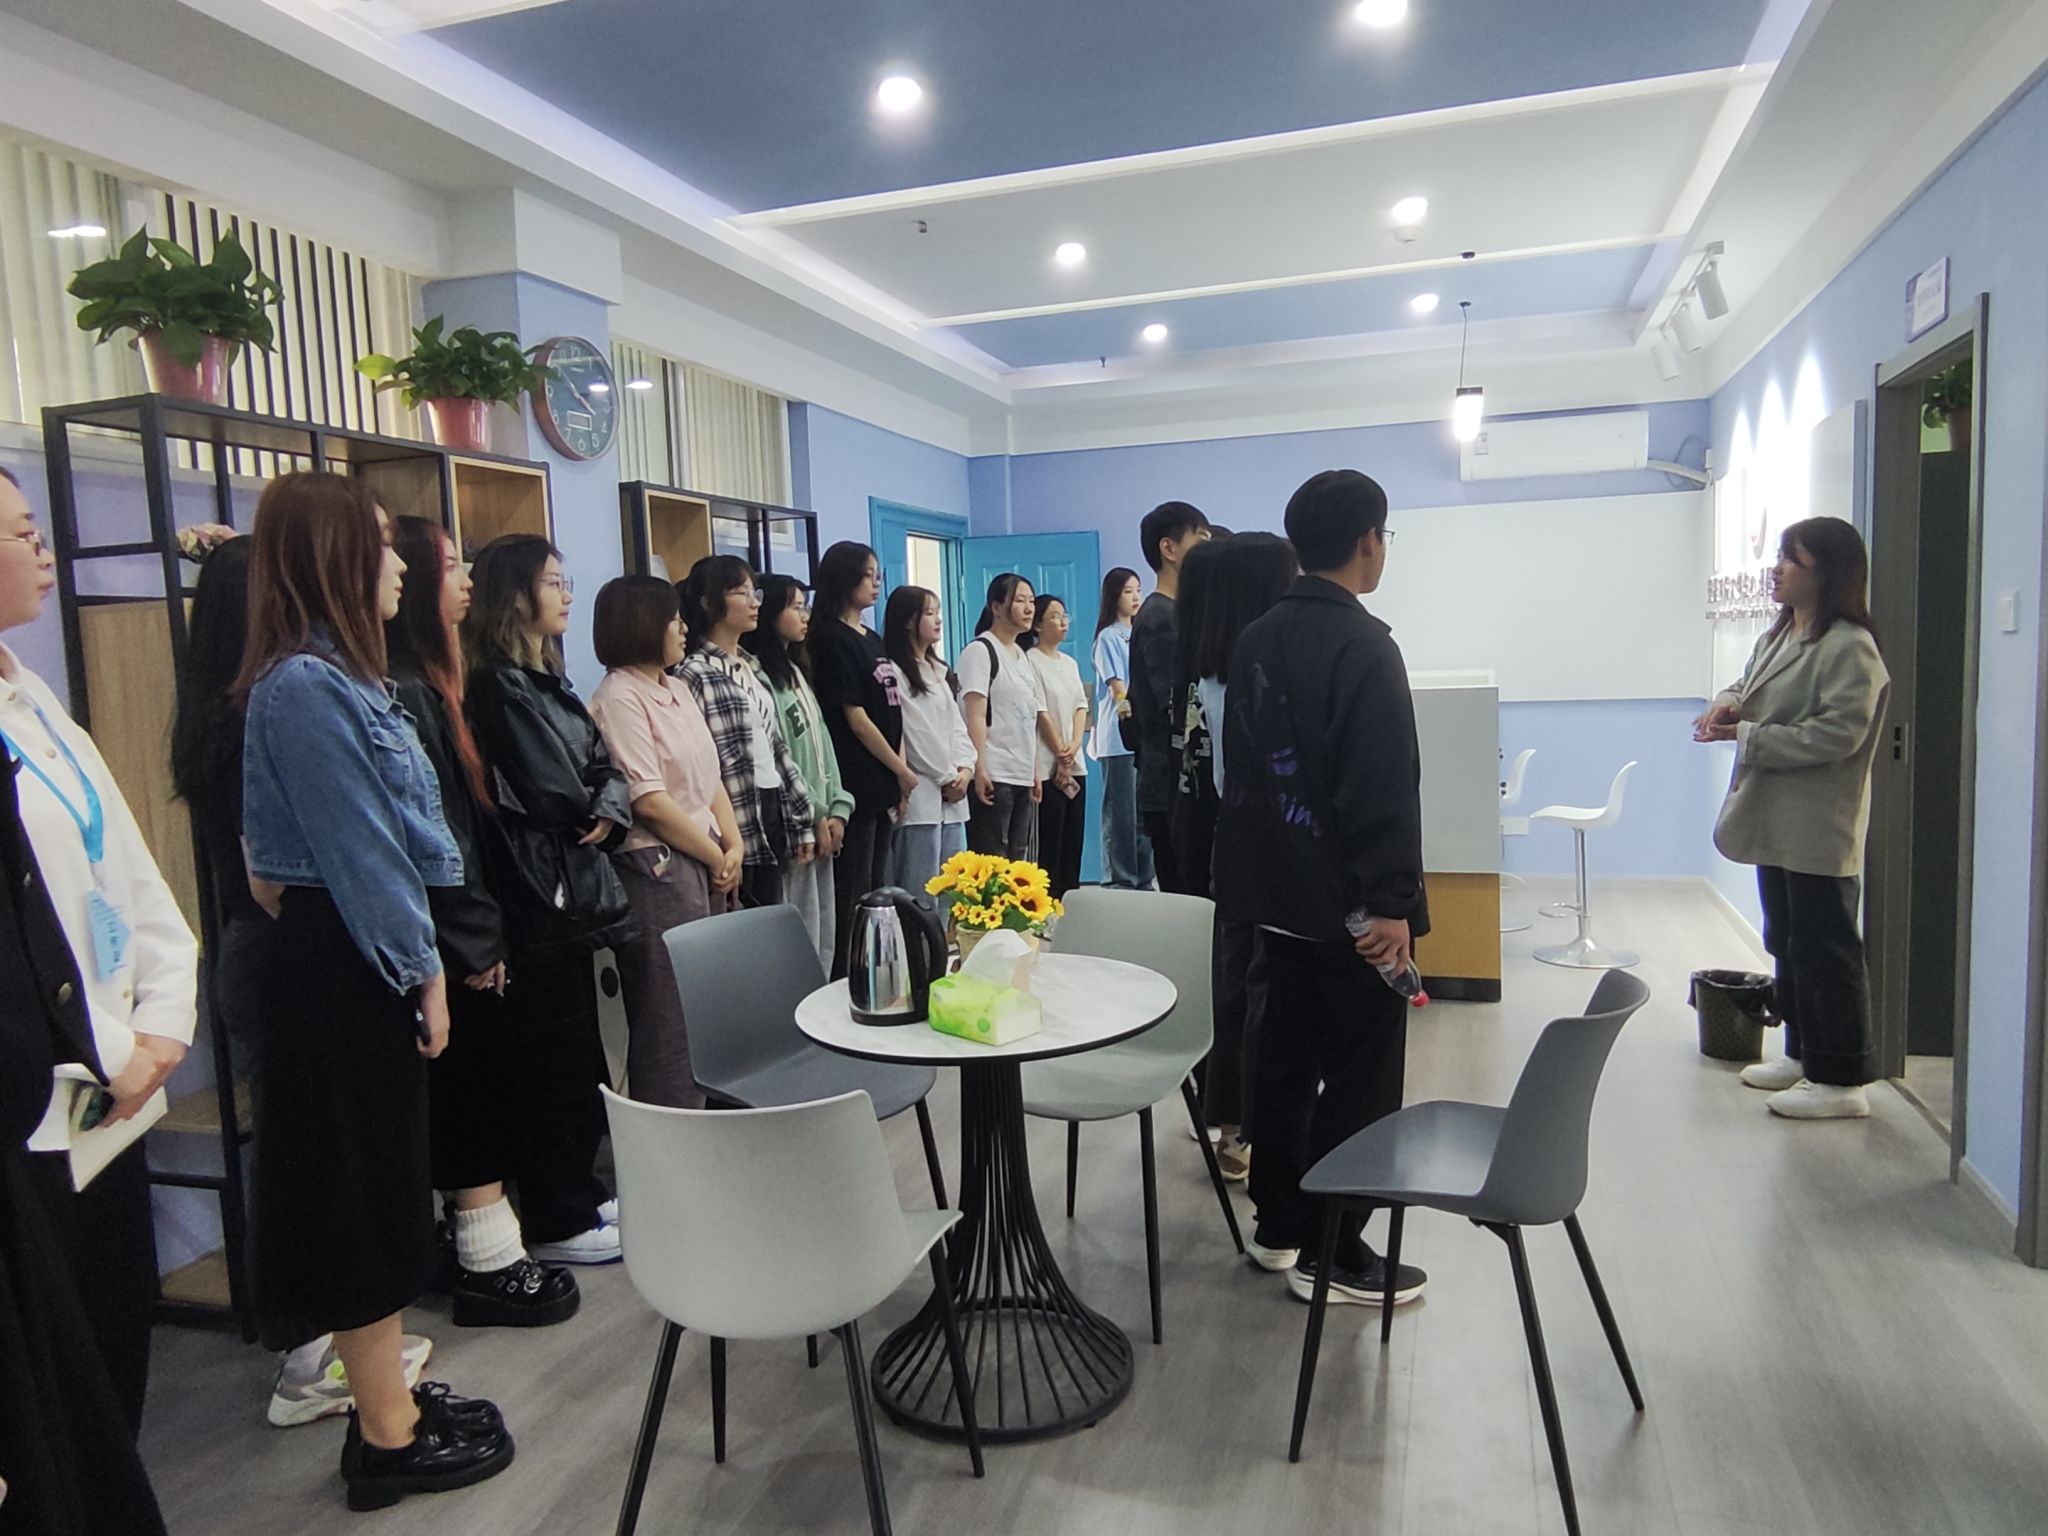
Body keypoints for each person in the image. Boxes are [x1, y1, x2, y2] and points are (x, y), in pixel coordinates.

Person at [238, 473, 511, 1509]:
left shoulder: (346, 682)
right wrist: (422, 971)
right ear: (335, 557)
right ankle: (385, 1437)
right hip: (347, 967)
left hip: (359, 953)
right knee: (360, 1196)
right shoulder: (305, 688)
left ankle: (385, 1406)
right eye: (385, 544)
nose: (402, 564)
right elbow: (361, 854)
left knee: (386, 1187)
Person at [172, 532, 437, 1423]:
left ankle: (337, 1355)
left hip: (262, 955)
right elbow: (291, 872)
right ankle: (317, 1364)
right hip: (295, 958)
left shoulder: (226, 714)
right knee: (324, 1177)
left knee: (313, 1168)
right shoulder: (281, 707)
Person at [0, 467, 196, 1439]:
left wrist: (163, 1022)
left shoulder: (30, 693)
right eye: (22, 533)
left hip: (119, 1077)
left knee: (118, 1329)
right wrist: (116, 1050)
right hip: (50, 1087)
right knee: (62, 1366)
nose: (43, 551)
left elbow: (127, 867)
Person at [1213, 470, 1430, 1310]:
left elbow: (1247, 778)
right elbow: (1382, 787)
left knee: (1283, 1063)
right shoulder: (1366, 646)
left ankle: (1279, 1226)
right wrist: (1392, 903)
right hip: (1352, 912)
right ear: (1369, 541)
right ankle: (1335, 1250)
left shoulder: (1255, 638)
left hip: (1275, 899)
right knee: (1362, 1079)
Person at [387, 518, 578, 1327]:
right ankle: (488, 1262)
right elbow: (441, 836)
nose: (462, 579)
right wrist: (473, 937)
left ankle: (478, 1249)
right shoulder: (411, 691)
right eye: (445, 566)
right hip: (449, 934)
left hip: (462, 926)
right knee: (475, 1092)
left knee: (477, 1088)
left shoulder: (439, 683)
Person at [464, 535, 634, 1268]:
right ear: (515, 595)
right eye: (553, 582)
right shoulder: (497, 686)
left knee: (580, 1056)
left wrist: (607, 803)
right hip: (539, 896)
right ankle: (557, 1212)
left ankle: (582, 1191)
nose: (567, 594)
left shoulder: (551, 679)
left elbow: (606, 767)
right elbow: (553, 787)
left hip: (575, 889)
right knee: (549, 1062)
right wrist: (594, 800)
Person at [1699, 517, 1891, 1119]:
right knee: (1787, 940)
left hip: (1816, 824)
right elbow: (1748, 684)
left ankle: (1841, 1081)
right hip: (1775, 821)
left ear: (1826, 573)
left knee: (1827, 951)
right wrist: (1726, 703)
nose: (1776, 569)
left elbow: (1838, 734)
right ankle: (1803, 1055)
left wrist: (1747, 736)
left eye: (1791, 559)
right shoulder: (1781, 632)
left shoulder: (1850, 646)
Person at [590, 576, 744, 1106]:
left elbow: (712, 776)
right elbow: (648, 800)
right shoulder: (619, 695)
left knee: (709, 1003)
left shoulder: (676, 687)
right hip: (660, 866)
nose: (682, 628)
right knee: (669, 1014)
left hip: (707, 854)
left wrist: (733, 844)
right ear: (641, 625)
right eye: (672, 619)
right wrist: (716, 854)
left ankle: (711, 1112)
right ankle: (673, 1128)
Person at [1174, 533, 1299, 1181]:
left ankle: (1233, 1123)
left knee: (1239, 982)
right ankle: (1244, 1128)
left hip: (1235, 842)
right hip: (1258, 844)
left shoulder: (1213, 670)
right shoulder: (1243, 679)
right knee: (1253, 986)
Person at [677, 556, 818, 914]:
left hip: (770, 804)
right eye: (741, 593)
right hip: (734, 812)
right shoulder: (694, 672)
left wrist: (801, 819)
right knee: (741, 920)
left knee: (771, 915)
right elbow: (702, 763)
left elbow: (775, 746)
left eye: (755, 592)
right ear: (709, 603)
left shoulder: (751, 665)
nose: (755, 602)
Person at [806, 542, 914, 977]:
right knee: (854, 888)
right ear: (845, 577)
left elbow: (892, 709)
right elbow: (855, 716)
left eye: (877, 574)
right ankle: (847, 976)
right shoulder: (830, 637)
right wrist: (900, 769)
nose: (876, 583)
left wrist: (899, 771)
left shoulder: (872, 638)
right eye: (868, 574)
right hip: (858, 777)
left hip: (885, 776)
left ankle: (875, 969)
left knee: (876, 885)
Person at [742, 576, 849, 969]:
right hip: (796, 821)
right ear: (771, 613)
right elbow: (781, 754)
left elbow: (822, 741)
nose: (805, 616)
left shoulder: (796, 670)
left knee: (825, 926)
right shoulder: (761, 677)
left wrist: (838, 806)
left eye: (805, 606)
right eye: (795, 607)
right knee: (799, 926)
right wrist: (817, 813)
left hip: (824, 816)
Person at [1127, 500, 1211, 893]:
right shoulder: (1161, 617)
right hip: (1171, 787)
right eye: (1201, 539)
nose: (1209, 550)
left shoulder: (1175, 612)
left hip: (1177, 784)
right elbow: (1176, 707)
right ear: (1169, 548)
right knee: (1186, 899)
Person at [883, 584, 974, 895]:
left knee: (954, 892)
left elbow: (957, 727)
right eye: (930, 613)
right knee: (919, 892)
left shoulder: (938, 669)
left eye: (939, 612)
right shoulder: (895, 671)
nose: (938, 620)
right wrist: (947, 776)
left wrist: (966, 769)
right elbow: (915, 732)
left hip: (954, 797)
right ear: (909, 621)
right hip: (922, 795)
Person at [959, 572, 1050, 862]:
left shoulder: (1022, 655)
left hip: (1021, 773)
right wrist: (979, 767)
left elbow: (1029, 717)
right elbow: (975, 715)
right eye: (1019, 600)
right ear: (996, 607)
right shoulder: (980, 650)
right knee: (992, 861)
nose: (1029, 608)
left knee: (1019, 861)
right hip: (995, 773)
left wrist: (1034, 769)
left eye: (1031, 601)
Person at [1090, 566, 1153, 890]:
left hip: (1143, 737)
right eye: (1128, 591)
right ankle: (1120, 879)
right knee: (1121, 814)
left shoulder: (1141, 632)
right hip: (1119, 737)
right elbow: (1118, 689)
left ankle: (1144, 878)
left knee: (1143, 812)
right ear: (1115, 596)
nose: (1135, 597)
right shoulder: (1109, 637)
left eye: (1138, 590)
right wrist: (1133, 717)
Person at [1027, 593, 1090, 897]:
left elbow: (1081, 705)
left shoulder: (1070, 663)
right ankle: (1048, 907)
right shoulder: (1031, 660)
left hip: (1074, 764)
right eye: (1054, 616)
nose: (1063, 622)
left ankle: (1070, 904)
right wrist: (1060, 753)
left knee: (1073, 843)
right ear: (1038, 624)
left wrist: (1075, 744)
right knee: (1050, 844)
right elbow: (1040, 712)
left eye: (1064, 616)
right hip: (1046, 767)